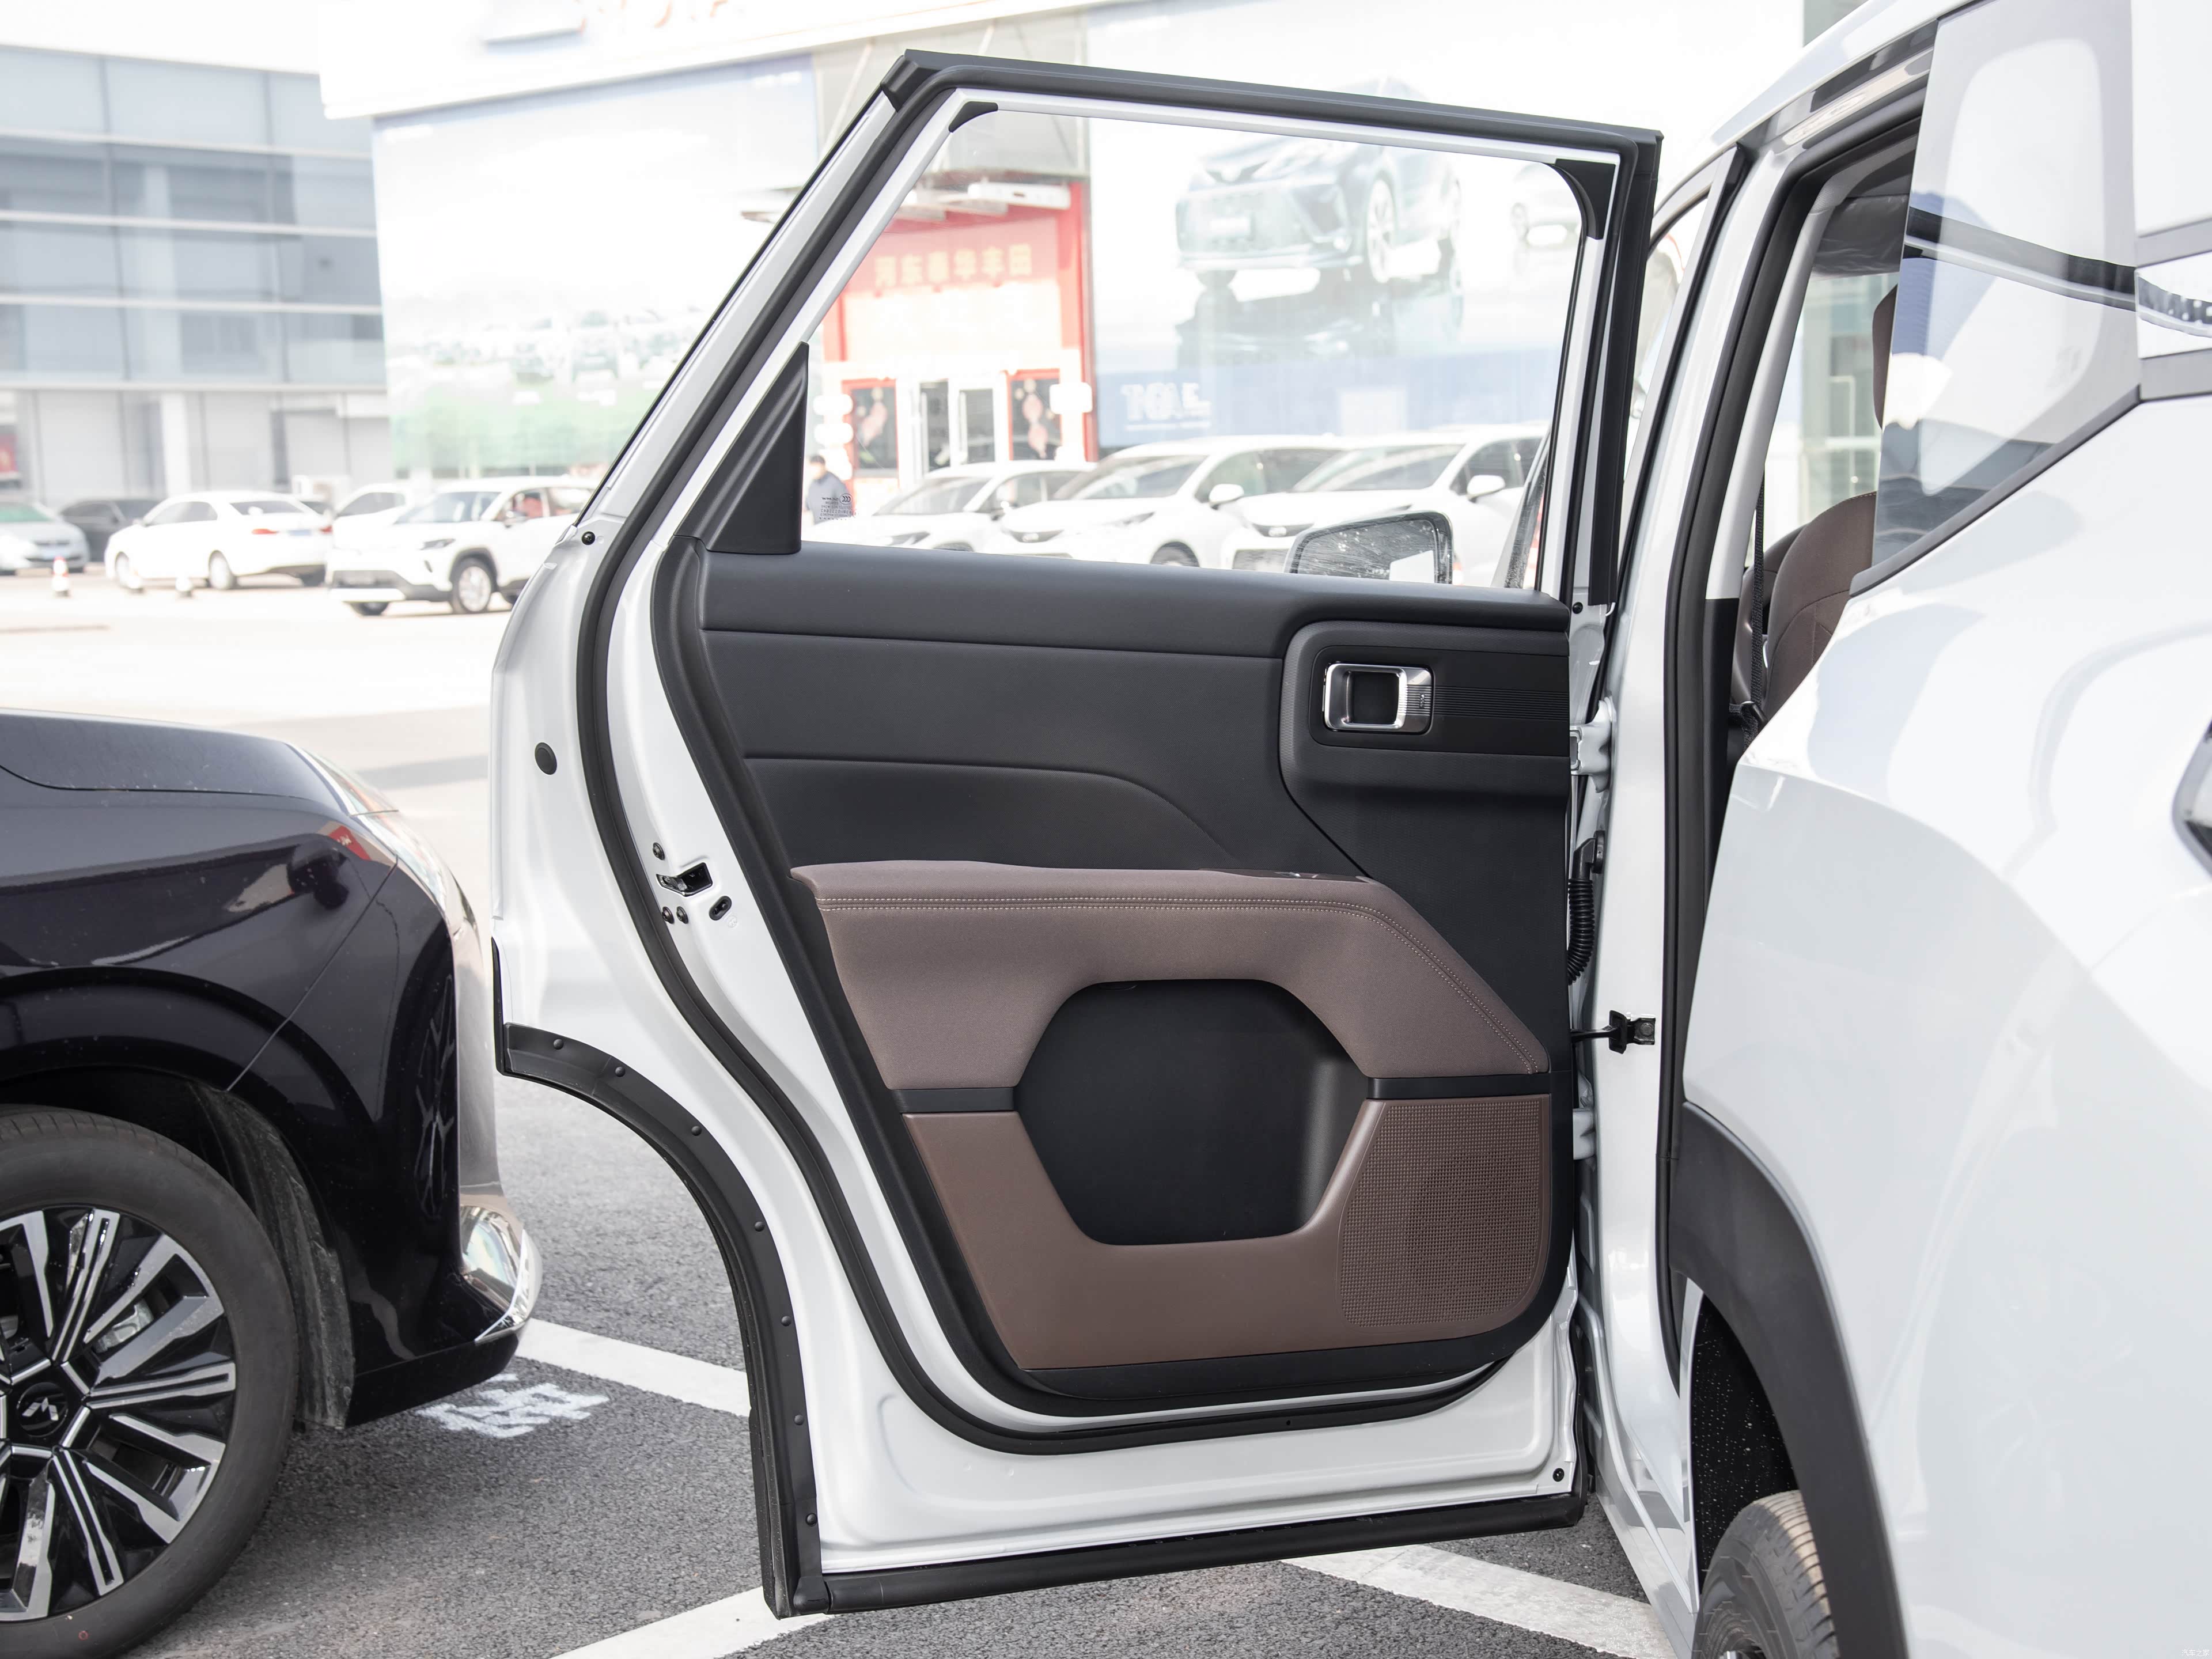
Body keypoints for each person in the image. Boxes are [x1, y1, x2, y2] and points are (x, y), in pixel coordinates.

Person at [804, 453, 853, 528]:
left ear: (823, 466)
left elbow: (846, 507)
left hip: (833, 528)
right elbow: (808, 504)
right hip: (818, 527)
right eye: (812, 468)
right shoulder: (813, 485)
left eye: (816, 468)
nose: (814, 471)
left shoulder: (835, 483)